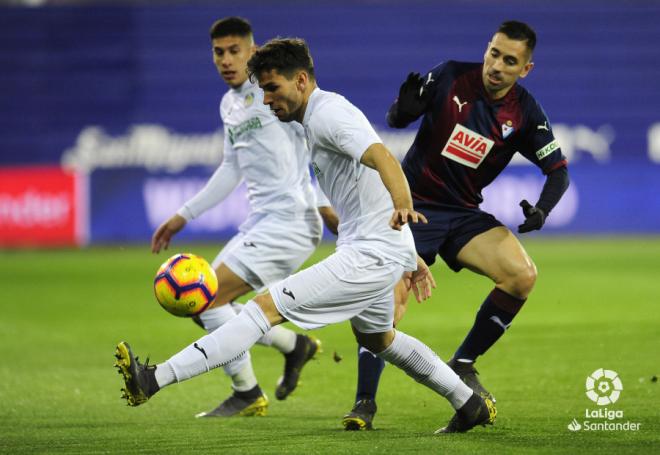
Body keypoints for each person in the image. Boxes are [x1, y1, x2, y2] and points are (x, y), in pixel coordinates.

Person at [115, 37, 497, 434]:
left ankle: (154, 379)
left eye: (272, 88)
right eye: (262, 90)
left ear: (300, 80)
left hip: (370, 254)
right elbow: (364, 189)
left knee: (262, 309)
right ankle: (468, 403)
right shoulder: (313, 120)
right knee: (380, 338)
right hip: (375, 246)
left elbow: (382, 156)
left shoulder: (328, 114)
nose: (266, 100)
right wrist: (407, 252)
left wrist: (403, 209)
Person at [343, 20, 570, 429]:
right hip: (412, 207)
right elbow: (396, 119)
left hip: (463, 212)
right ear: (487, 49)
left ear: (526, 69)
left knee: (521, 275)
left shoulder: (525, 112)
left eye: (510, 61)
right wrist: (404, 110)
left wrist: (541, 210)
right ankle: (364, 404)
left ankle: (463, 362)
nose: (497, 65)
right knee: (387, 302)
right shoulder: (450, 76)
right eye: (494, 53)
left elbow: (558, 171)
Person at [149, 17, 324, 418]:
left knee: (206, 299)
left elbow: (316, 142)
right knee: (204, 306)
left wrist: (324, 202)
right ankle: (291, 346)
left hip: (291, 221)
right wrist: (183, 215)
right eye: (219, 52)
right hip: (261, 223)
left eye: (234, 51)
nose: (227, 60)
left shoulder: (274, 91)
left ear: (252, 50)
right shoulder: (229, 104)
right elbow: (232, 168)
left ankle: (247, 392)